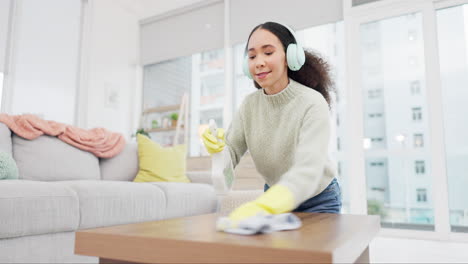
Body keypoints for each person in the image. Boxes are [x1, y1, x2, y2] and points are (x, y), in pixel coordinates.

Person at [202, 22, 341, 226]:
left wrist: (266, 206)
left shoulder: (312, 102)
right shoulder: (249, 106)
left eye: (268, 52)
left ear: (290, 57)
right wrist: (219, 151)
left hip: (318, 199)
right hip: (276, 196)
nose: (259, 62)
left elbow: (309, 169)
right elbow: (231, 151)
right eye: (252, 56)